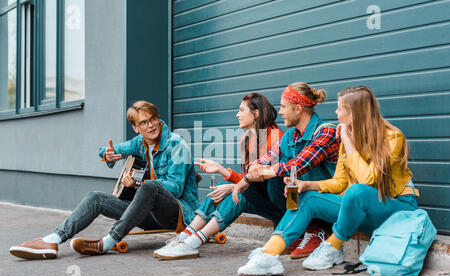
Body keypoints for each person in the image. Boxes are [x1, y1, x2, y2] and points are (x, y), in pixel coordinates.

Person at [237, 86, 419, 276]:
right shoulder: (348, 138)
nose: (336, 113)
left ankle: (333, 245)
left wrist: (347, 142)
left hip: (396, 209)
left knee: (356, 191)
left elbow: (367, 180)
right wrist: (307, 185)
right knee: (308, 197)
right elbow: (340, 182)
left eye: (340, 109)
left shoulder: (391, 137)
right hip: (360, 210)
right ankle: (268, 255)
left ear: (354, 113)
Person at [154, 82, 340, 260]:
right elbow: (264, 160)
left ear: (298, 109)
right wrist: (244, 179)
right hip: (295, 200)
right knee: (242, 188)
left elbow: (299, 164)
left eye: (284, 107)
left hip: (324, 201)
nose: (280, 112)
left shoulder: (324, 132)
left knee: (265, 181)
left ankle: (316, 230)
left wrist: (250, 176)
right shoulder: (288, 136)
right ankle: (190, 237)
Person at [9, 101, 199, 260]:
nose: (151, 126)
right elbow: (106, 149)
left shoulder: (176, 144)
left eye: (153, 119)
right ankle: (53, 240)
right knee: (95, 197)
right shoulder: (139, 143)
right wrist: (108, 156)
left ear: (158, 119)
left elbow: (175, 188)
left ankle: (107, 242)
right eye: (144, 123)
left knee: (149, 186)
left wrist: (137, 184)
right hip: (149, 215)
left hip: (178, 215)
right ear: (136, 127)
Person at [153, 92, 284, 259]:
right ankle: (186, 237)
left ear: (256, 113)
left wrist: (233, 187)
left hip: (280, 205)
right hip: (259, 197)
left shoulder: (275, 138)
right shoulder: (247, 139)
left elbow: (266, 182)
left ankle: (193, 242)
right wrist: (222, 170)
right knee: (221, 193)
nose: (237, 114)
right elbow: (248, 180)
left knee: (238, 194)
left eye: (241, 110)